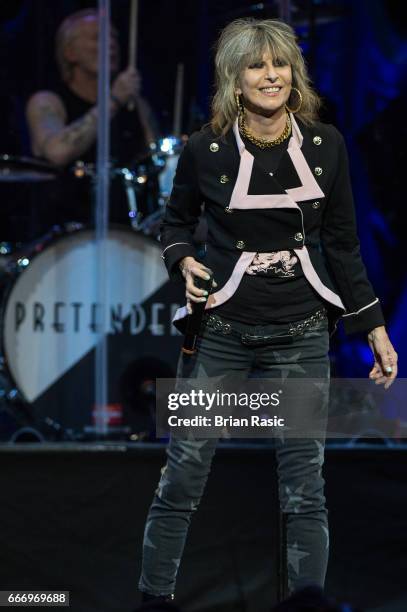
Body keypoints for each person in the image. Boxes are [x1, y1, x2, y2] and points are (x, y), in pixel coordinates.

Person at [138, 18, 398, 603]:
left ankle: (305, 601)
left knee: (304, 485)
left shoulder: (325, 144)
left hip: (301, 330)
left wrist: (373, 327)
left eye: (279, 64)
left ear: (294, 75)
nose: (270, 75)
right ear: (235, 79)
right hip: (219, 331)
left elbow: (343, 244)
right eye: (256, 65)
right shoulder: (204, 149)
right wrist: (183, 262)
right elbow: (176, 225)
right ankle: (154, 598)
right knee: (182, 474)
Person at [25, 8, 158, 227]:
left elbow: (157, 165)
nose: (111, 44)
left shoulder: (135, 105)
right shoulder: (47, 102)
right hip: (63, 241)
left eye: (114, 38)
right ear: (70, 52)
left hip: (129, 232)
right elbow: (57, 152)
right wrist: (113, 99)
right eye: (98, 38)